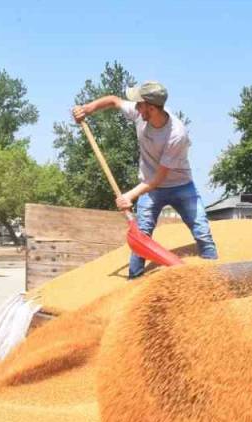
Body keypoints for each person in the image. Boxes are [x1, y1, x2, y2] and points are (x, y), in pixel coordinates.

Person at [72, 80, 218, 278]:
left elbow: (159, 177)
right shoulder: (140, 112)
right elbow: (114, 101)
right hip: (150, 188)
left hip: (180, 186)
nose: (136, 108)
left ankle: (214, 277)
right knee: (140, 237)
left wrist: (129, 196)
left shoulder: (176, 134)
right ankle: (134, 281)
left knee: (202, 232)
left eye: (140, 104)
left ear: (151, 107)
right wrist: (87, 109)